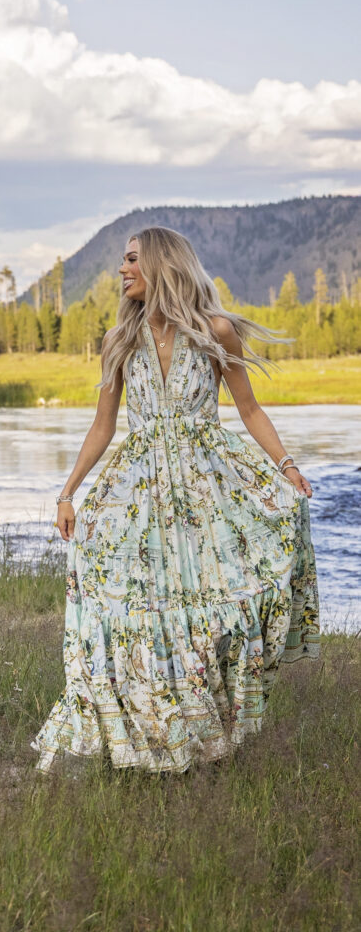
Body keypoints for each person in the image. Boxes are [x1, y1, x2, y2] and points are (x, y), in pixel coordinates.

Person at [33, 227, 319, 774]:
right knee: (129, 603)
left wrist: (286, 466)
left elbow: (249, 409)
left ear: (162, 264)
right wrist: (68, 493)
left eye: (132, 259)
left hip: (205, 487)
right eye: (122, 260)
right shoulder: (120, 339)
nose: (122, 269)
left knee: (209, 605)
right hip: (139, 491)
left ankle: (207, 730)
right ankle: (148, 732)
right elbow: (103, 424)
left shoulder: (216, 330)